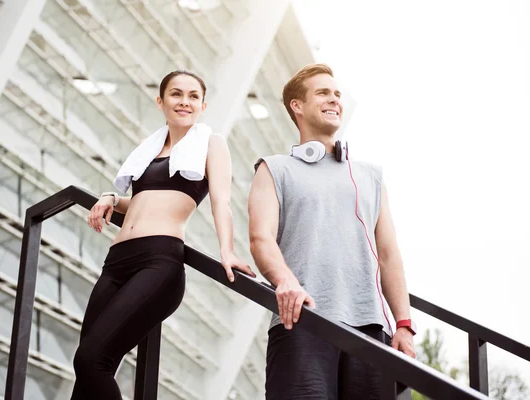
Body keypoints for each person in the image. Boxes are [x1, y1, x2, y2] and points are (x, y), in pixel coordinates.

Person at [72, 70, 255, 399]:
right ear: (161, 101)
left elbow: (221, 202)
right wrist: (111, 197)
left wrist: (227, 251)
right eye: (176, 94)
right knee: (86, 373)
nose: (184, 101)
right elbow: (142, 202)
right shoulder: (149, 150)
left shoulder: (210, 143)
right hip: (116, 264)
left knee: (90, 360)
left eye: (192, 96)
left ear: (202, 105)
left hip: (158, 263)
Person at [248, 63, 416, 399]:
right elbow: (260, 238)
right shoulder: (274, 168)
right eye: (323, 93)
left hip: (371, 330)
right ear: (297, 106)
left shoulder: (370, 176)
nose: (334, 99)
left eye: (337, 94)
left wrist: (403, 325)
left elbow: (388, 254)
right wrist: (285, 280)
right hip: (301, 321)